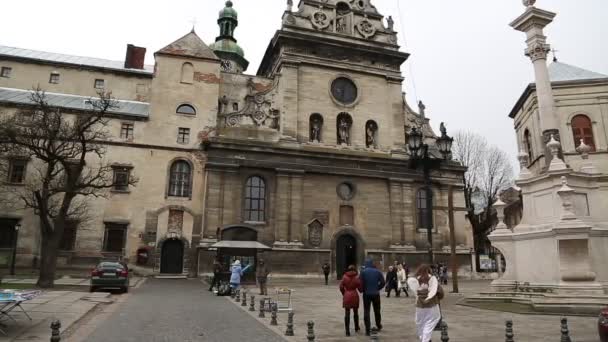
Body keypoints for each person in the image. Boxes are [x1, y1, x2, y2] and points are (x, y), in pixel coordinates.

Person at [407, 264, 443, 342]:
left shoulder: (415, 280)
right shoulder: (432, 279)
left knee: (420, 323)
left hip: (420, 306)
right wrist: (437, 297)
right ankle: (426, 339)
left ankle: (423, 338)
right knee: (431, 321)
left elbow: (415, 292)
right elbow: (440, 292)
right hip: (432, 305)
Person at [359, 258, 385, 336]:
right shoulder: (378, 272)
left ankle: (367, 330)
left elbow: (360, 283)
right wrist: (378, 288)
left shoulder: (363, 272)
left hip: (366, 294)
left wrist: (362, 290)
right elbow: (383, 282)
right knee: (377, 310)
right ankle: (378, 325)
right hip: (376, 294)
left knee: (366, 311)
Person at [339, 265, 362, 336]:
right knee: (355, 313)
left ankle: (347, 331)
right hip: (354, 295)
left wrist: (344, 293)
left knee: (347, 314)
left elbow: (341, 286)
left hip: (347, 295)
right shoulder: (356, 277)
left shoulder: (344, 277)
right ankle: (356, 327)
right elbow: (360, 287)